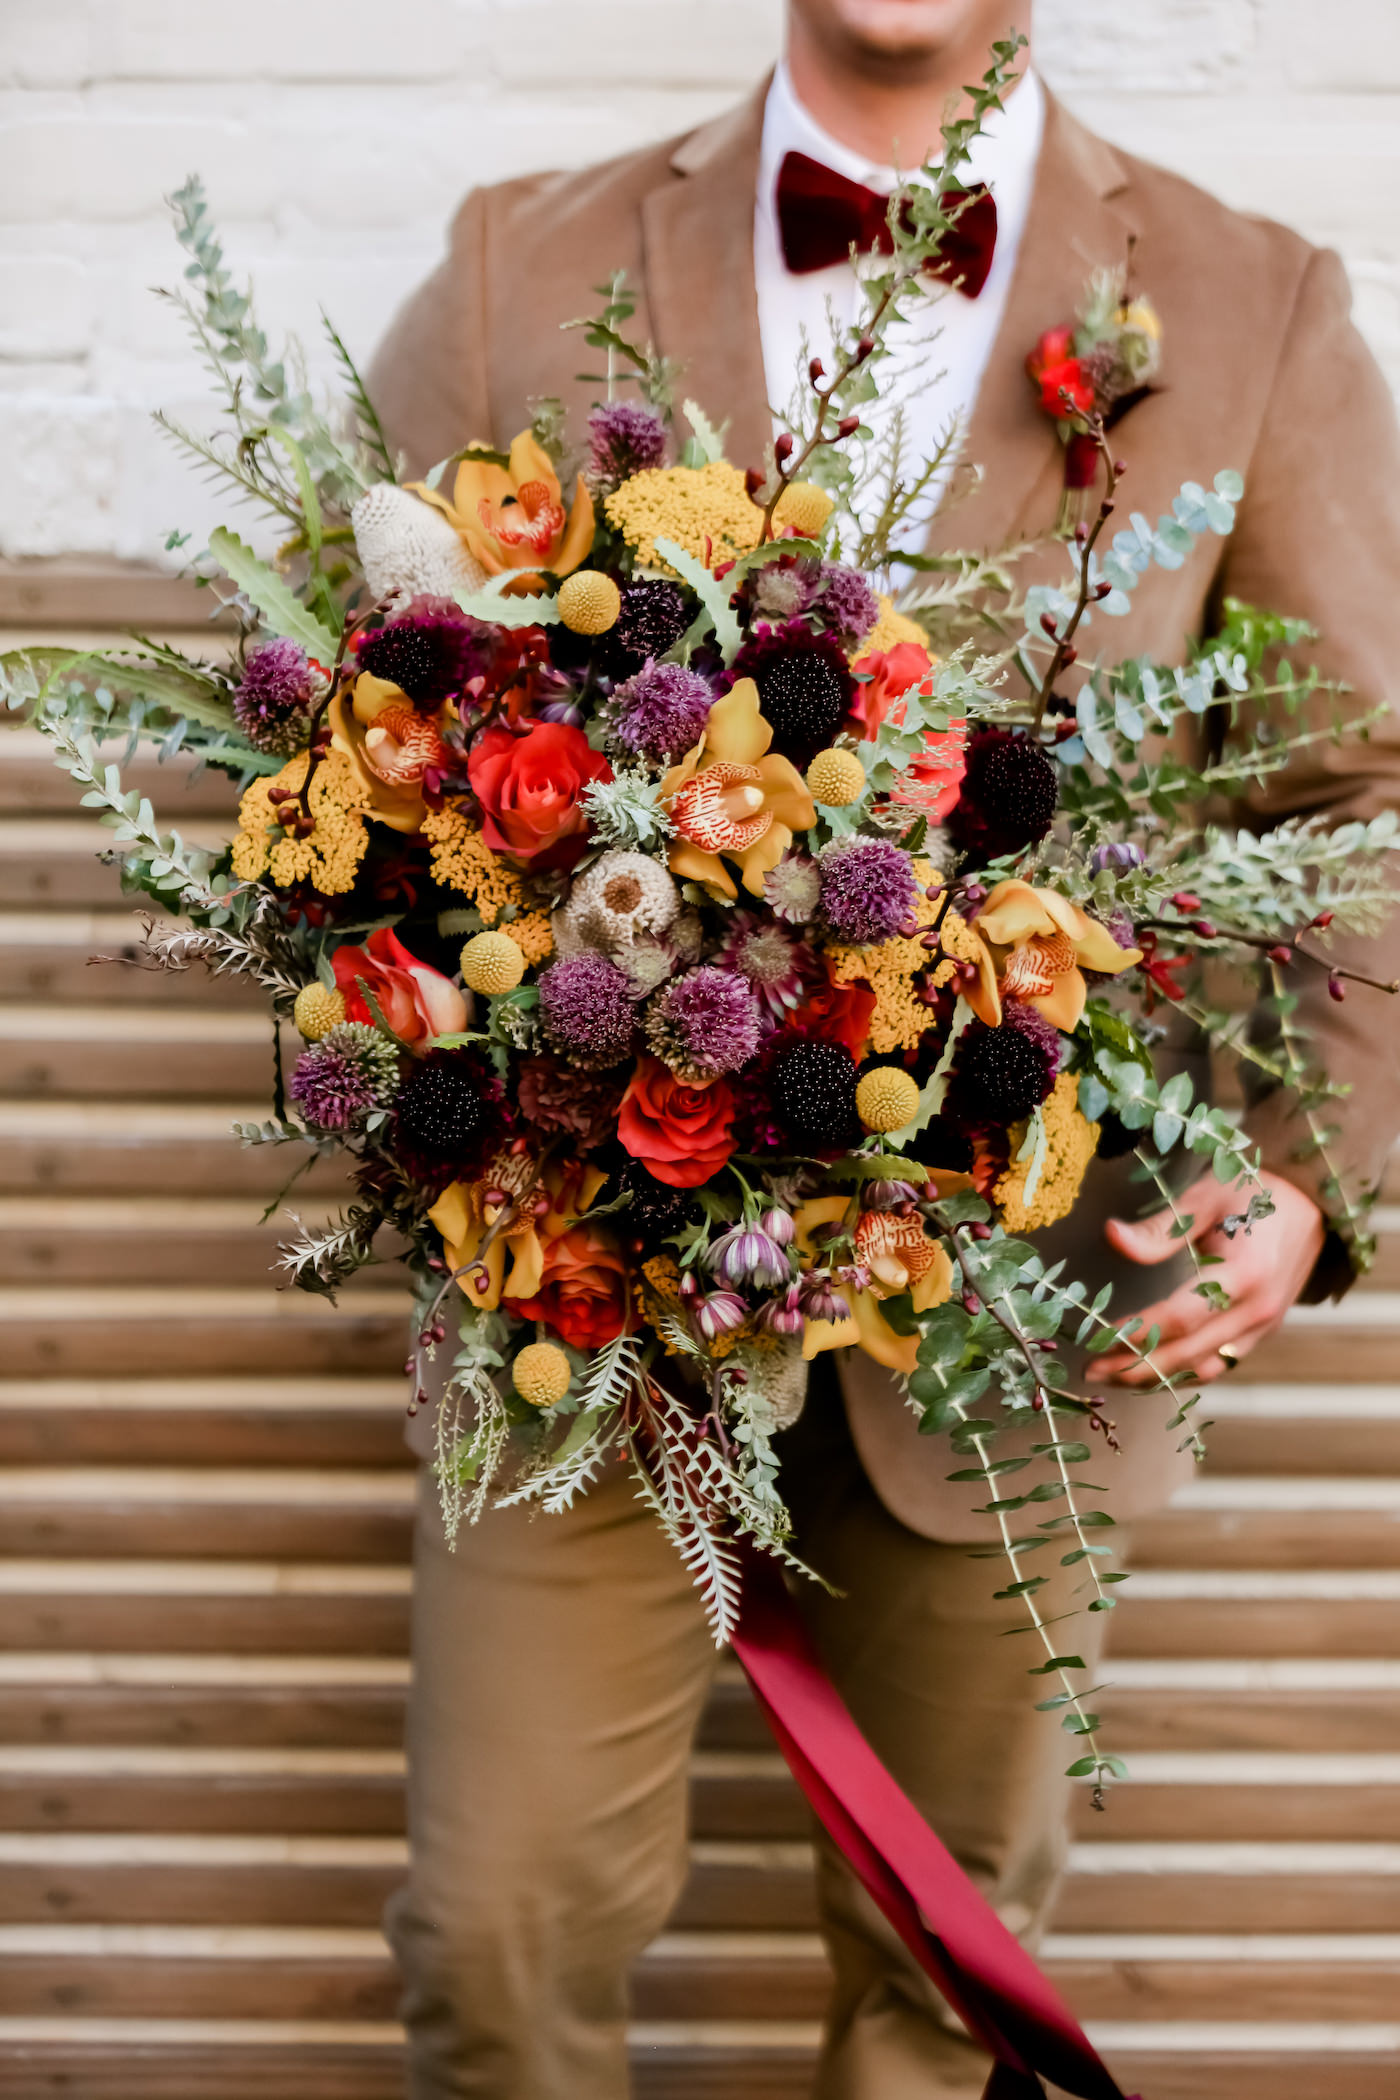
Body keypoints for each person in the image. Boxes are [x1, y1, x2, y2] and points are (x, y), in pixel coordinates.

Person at [369, 1, 1400, 2093]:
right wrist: (453, 1045)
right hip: (589, 1286)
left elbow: (1363, 799)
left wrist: (1312, 1170)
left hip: (1037, 1294)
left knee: (951, 1993)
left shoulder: (1249, 298)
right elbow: (335, 734)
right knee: (495, 1923)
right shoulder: (513, 263)